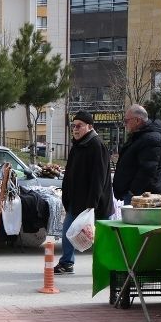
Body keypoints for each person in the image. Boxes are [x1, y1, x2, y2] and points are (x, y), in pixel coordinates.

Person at [55, 111, 114, 274]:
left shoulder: (96, 145)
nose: (75, 129)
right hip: (76, 201)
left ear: (90, 126)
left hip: (95, 203)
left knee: (101, 238)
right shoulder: (78, 145)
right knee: (68, 232)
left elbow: (99, 178)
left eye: (79, 126)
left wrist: (92, 204)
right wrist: (66, 197)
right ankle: (67, 263)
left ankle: (107, 267)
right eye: (74, 126)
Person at [113, 104, 161, 202]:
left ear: (137, 120)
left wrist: (132, 191)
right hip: (133, 194)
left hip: (142, 197)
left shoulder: (151, 139)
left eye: (126, 121)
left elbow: (148, 169)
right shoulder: (138, 136)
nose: (124, 124)